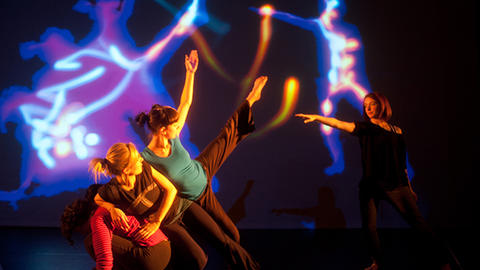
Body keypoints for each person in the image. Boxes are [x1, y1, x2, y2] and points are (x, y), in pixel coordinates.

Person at [135, 49, 266, 269]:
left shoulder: (172, 135)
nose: (179, 125)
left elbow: (185, 104)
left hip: (202, 169)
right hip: (195, 198)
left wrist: (190, 73)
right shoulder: (146, 158)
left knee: (226, 135)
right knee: (231, 233)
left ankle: (251, 99)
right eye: (175, 125)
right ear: (164, 130)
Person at [296, 92, 452, 270]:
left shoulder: (397, 131)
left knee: (418, 224)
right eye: (365, 105)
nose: (368, 108)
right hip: (370, 185)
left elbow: (402, 165)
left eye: (372, 104)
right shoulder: (365, 128)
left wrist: (410, 188)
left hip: (396, 185)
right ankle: (376, 263)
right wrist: (318, 117)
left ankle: (442, 260)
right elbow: (339, 123)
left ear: (382, 106)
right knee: (369, 227)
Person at [60, 184, 171, 270]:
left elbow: (105, 260)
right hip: (163, 250)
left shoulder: (98, 219)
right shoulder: (108, 209)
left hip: (152, 256)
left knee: (90, 241)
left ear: (81, 223)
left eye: (79, 231)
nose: (81, 233)